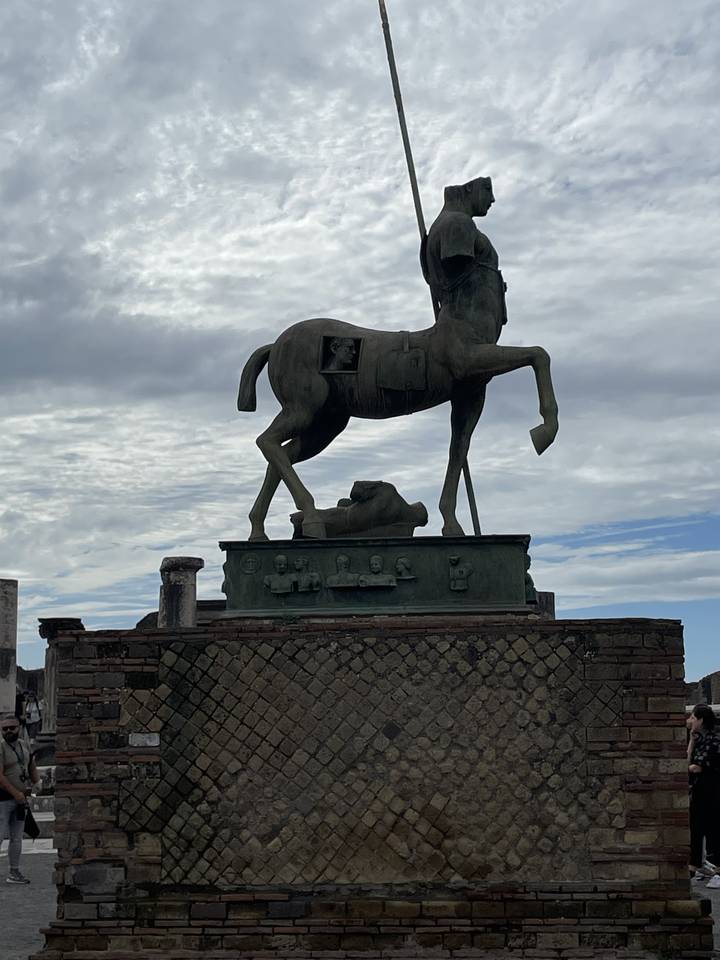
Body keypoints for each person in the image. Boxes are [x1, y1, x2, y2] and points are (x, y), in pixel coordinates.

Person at [0, 714, 40, 884]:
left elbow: (31, 765)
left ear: (19, 728)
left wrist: (37, 782)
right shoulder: (1, 748)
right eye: (5, 729)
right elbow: (0, 776)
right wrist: (15, 793)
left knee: (17, 837)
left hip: (20, 800)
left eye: (12, 727)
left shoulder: (24, 745)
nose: (8, 731)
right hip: (3, 799)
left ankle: (14, 871)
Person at [687, 704, 720, 887]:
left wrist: (691, 766)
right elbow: (688, 761)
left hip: (711, 792)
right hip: (699, 791)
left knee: (712, 829)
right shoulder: (699, 740)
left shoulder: (713, 741)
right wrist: (692, 742)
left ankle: (717, 868)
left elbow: (695, 767)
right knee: (696, 828)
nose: (690, 721)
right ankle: (694, 865)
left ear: (701, 720)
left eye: (693, 717)